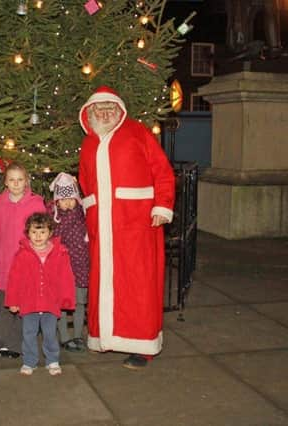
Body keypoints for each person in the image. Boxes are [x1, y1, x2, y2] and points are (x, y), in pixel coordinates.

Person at [78, 86, 175, 369]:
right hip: (103, 225)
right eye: (100, 107)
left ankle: (141, 346)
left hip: (137, 223)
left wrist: (162, 205)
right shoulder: (89, 143)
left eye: (110, 106)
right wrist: (90, 213)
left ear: (120, 109)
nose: (105, 112)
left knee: (138, 284)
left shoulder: (138, 132)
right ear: (91, 112)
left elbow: (162, 170)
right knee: (104, 282)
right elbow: (85, 181)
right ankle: (104, 337)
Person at [0, 162, 46, 358]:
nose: (16, 184)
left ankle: (17, 344)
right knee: (4, 306)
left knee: (22, 306)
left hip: (26, 263)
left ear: (26, 181)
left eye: (20, 180)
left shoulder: (36, 203)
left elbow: (41, 233)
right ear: (5, 182)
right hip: (4, 263)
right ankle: (4, 343)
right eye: (12, 180)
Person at [6, 213, 75, 376]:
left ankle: (52, 360)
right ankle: (29, 361)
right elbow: (14, 279)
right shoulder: (22, 254)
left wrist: (67, 299)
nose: (38, 236)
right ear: (27, 233)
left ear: (50, 233)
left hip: (51, 302)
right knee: (28, 333)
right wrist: (13, 301)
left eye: (42, 232)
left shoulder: (60, 252)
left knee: (50, 333)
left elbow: (66, 277)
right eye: (34, 232)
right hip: (29, 302)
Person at [48, 173, 90, 353]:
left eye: (70, 198)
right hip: (62, 268)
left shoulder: (83, 214)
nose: (67, 203)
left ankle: (78, 334)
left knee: (80, 302)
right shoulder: (55, 218)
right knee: (62, 303)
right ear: (57, 201)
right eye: (62, 199)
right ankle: (64, 336)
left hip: (81, 265)